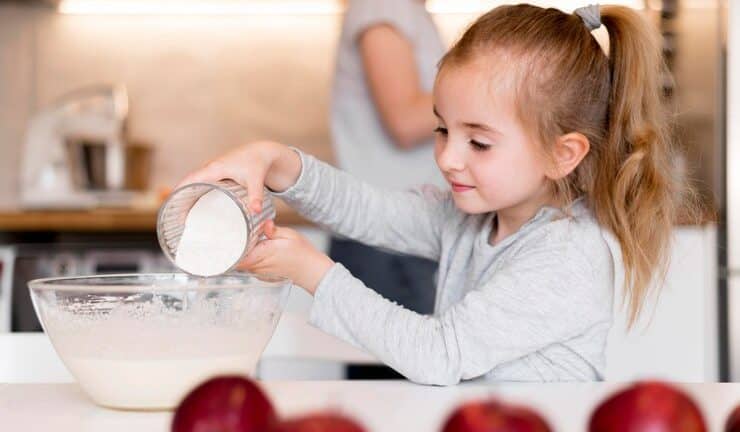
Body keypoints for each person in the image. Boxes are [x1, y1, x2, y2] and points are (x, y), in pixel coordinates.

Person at [179, 4, 695, 384]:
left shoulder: (565, 257)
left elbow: (438, 354)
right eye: (443, 130)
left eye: (480, 142)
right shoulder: (473, 217)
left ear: (564, 154)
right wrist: (275, 160)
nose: (448, 157)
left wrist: (310, 272)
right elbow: (371, 210)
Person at [329, 0, 445, 315]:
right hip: (383, 244)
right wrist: (491, 86)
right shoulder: (382, 7)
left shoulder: (405, 10)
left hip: (396, 237)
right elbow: (404, 121)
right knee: (391, 364)